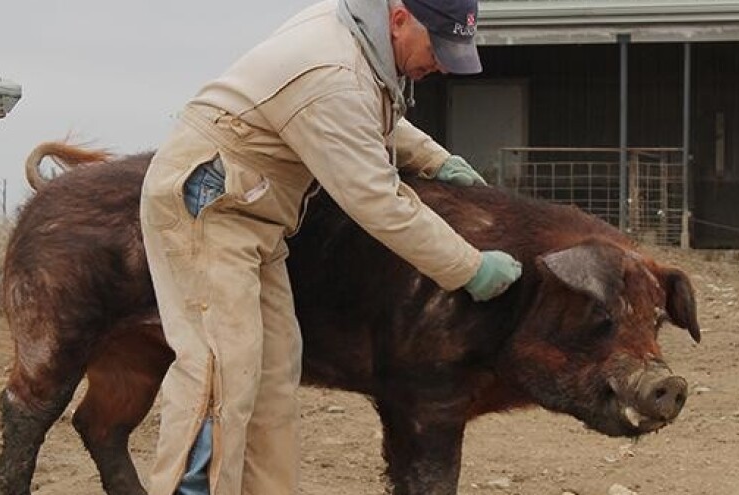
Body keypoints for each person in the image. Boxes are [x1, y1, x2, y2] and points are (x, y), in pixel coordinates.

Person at [139, 0, 522, 493]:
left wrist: (435, 158)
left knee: (273, 380)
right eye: (439, 47)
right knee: (220, 375)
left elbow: (368, 111)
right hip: (211, 209)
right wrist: (469, 268)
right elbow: (377, 200)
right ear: (400, 18)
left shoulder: (360, 42)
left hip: (254, 216)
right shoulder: (332, 67)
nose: (444, 64)